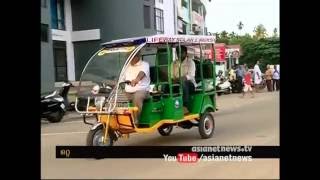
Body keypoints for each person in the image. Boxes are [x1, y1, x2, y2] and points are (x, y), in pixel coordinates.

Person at [122, 51, 150, 124]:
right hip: (128, 91)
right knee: (116, 97)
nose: (129, 59)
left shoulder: (145, 64)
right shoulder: (127, 66)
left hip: (142, 90)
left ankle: (135, 121)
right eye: (128, 57)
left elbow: (142, 73)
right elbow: (122, 78)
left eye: (130, 57)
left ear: (137, 57)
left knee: (137, 97)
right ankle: (119, 119)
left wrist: (136, 80)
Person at [173, 46, 196, 114]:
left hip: (190, 84)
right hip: (177, 83)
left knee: (184, 83)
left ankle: (185, 106)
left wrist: (179, 79)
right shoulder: (174, 63)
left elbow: (190, 76)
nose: (179, 54)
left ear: (185, 53)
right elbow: (172, 76)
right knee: (164, 86)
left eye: (181, 52)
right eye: (177, 53)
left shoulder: (191, 62)